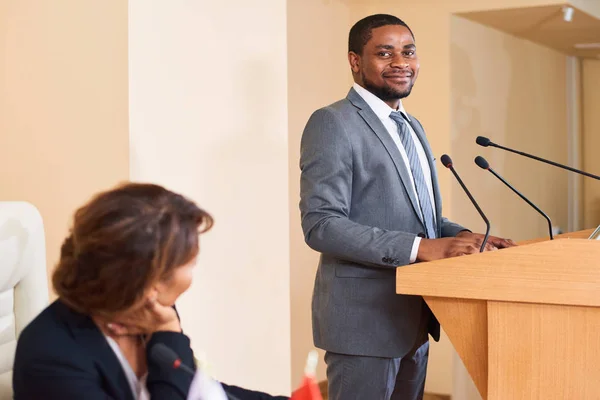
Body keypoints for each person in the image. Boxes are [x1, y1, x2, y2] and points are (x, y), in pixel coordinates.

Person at [299, 14, 515, 400]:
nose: (401, 62)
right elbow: (321, 224)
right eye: (385, 53)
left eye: (409, 52)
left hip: (414, 316)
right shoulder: (332, 122)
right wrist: (421, 248)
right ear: (355, 61)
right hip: (364, 322)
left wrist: (462, 237)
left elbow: (421, 217)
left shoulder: (411, 125)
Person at [12, 182, 288, 400]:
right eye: (190, 263)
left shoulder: (144, 310)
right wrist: (169, 333)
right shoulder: (51, 357)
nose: (193, 272)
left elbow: (192, 387)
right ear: (149, 284)